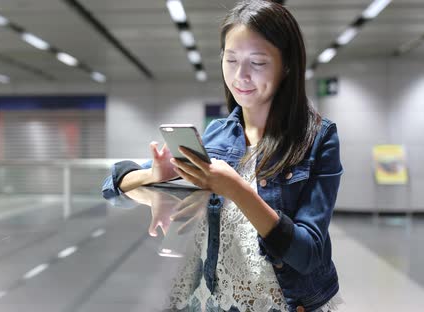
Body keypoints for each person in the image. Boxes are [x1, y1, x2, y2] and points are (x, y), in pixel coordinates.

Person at [102, 0, 343, 311]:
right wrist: (154, 178)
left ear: (286, 65)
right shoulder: (216, 136)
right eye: (231, 60)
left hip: (284, 303)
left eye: (257, 63)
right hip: (211, 300)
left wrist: (237, 189)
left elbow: (307, 254)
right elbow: (112, 183)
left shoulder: (317, 138)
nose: (241, 76)